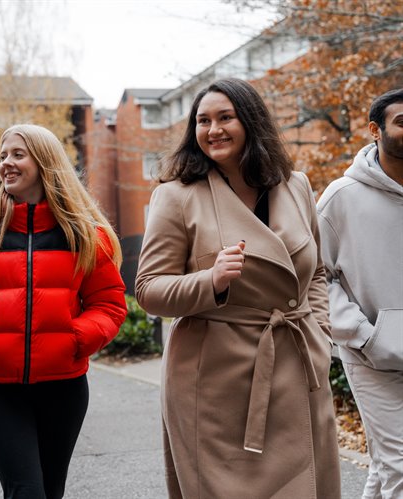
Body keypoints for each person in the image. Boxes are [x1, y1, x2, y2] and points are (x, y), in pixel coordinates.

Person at [135, 78, 341, 498]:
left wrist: (320, 332)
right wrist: (210, 281)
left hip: (297, 365)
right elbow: (149, 289)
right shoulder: (176, 196)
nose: (213, 130)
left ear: (250, 121)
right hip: (214, 380)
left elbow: (316, 271)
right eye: (203, 120)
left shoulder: (295, 185)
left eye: (225, 117)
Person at [0, 124, 127, 499]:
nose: (6, 163)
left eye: (17, 155)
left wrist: (75, 340)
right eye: (3, 156)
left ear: (45, 163)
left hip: (65, 388)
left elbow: (108, 304)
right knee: (27, 492)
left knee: (50, 491)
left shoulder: (85, 236)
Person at [317, 88, 403, 499]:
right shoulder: (341, 197)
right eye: (401, 121)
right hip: (371, 356)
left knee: (385, 464)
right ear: (375, 130)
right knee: (399, 463)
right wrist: (363, 336)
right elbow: (314, 275)